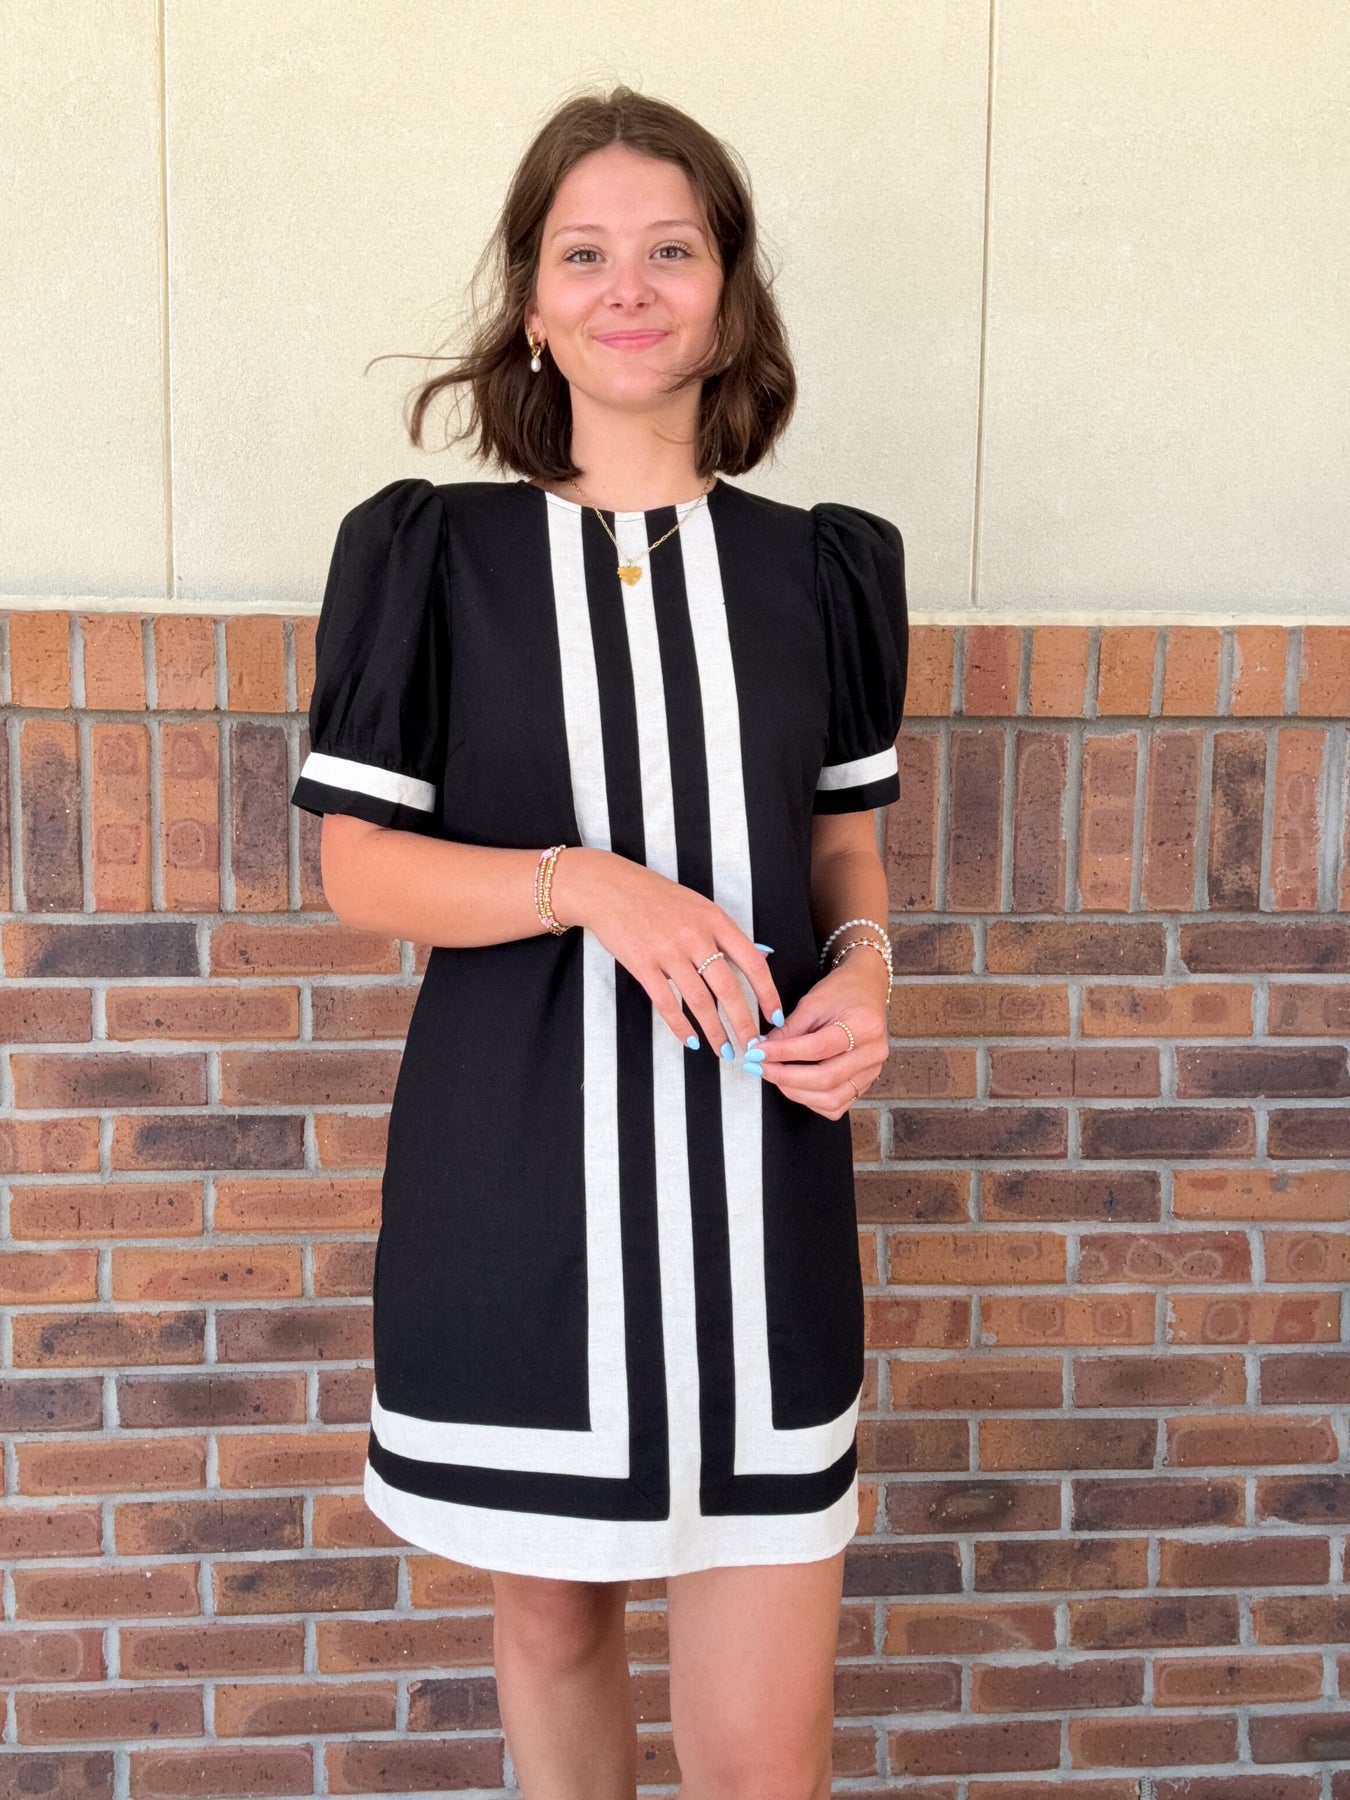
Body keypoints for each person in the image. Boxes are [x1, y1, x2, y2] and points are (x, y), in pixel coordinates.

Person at [290, 84, 908, 1800]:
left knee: (762, 1746)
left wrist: (865, 970)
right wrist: (587, 884)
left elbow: (839, 846)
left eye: (669, 249)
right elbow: (358, 869)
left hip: (761, 1186)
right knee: (555, 1629)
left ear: (728, 291)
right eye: (583, 254)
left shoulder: (822, 573)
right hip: (513, 1180)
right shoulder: (430, 555)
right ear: (531, 300)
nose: (627, 286)